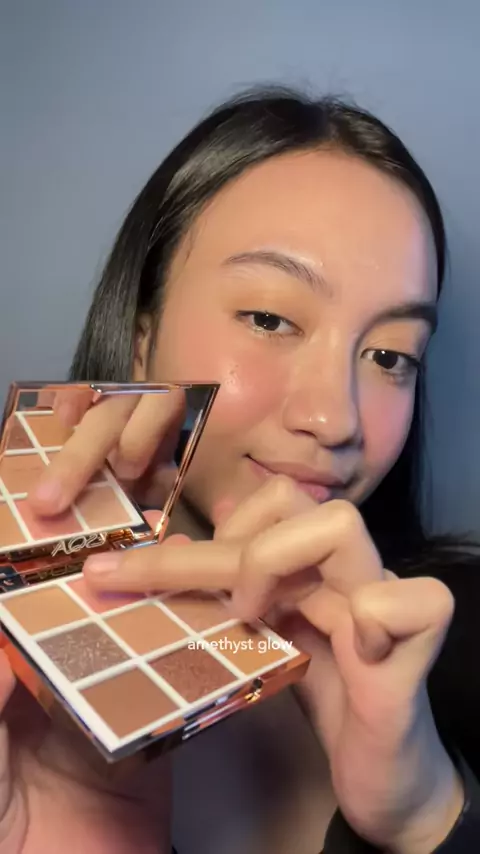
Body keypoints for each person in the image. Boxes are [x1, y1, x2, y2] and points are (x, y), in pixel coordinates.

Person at [2, 86, 480, 854]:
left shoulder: (455, 639)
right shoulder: (21, 705)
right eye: (268, 318)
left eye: (391, 357)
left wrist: (426, 814)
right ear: (140, 340)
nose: (335, 419)